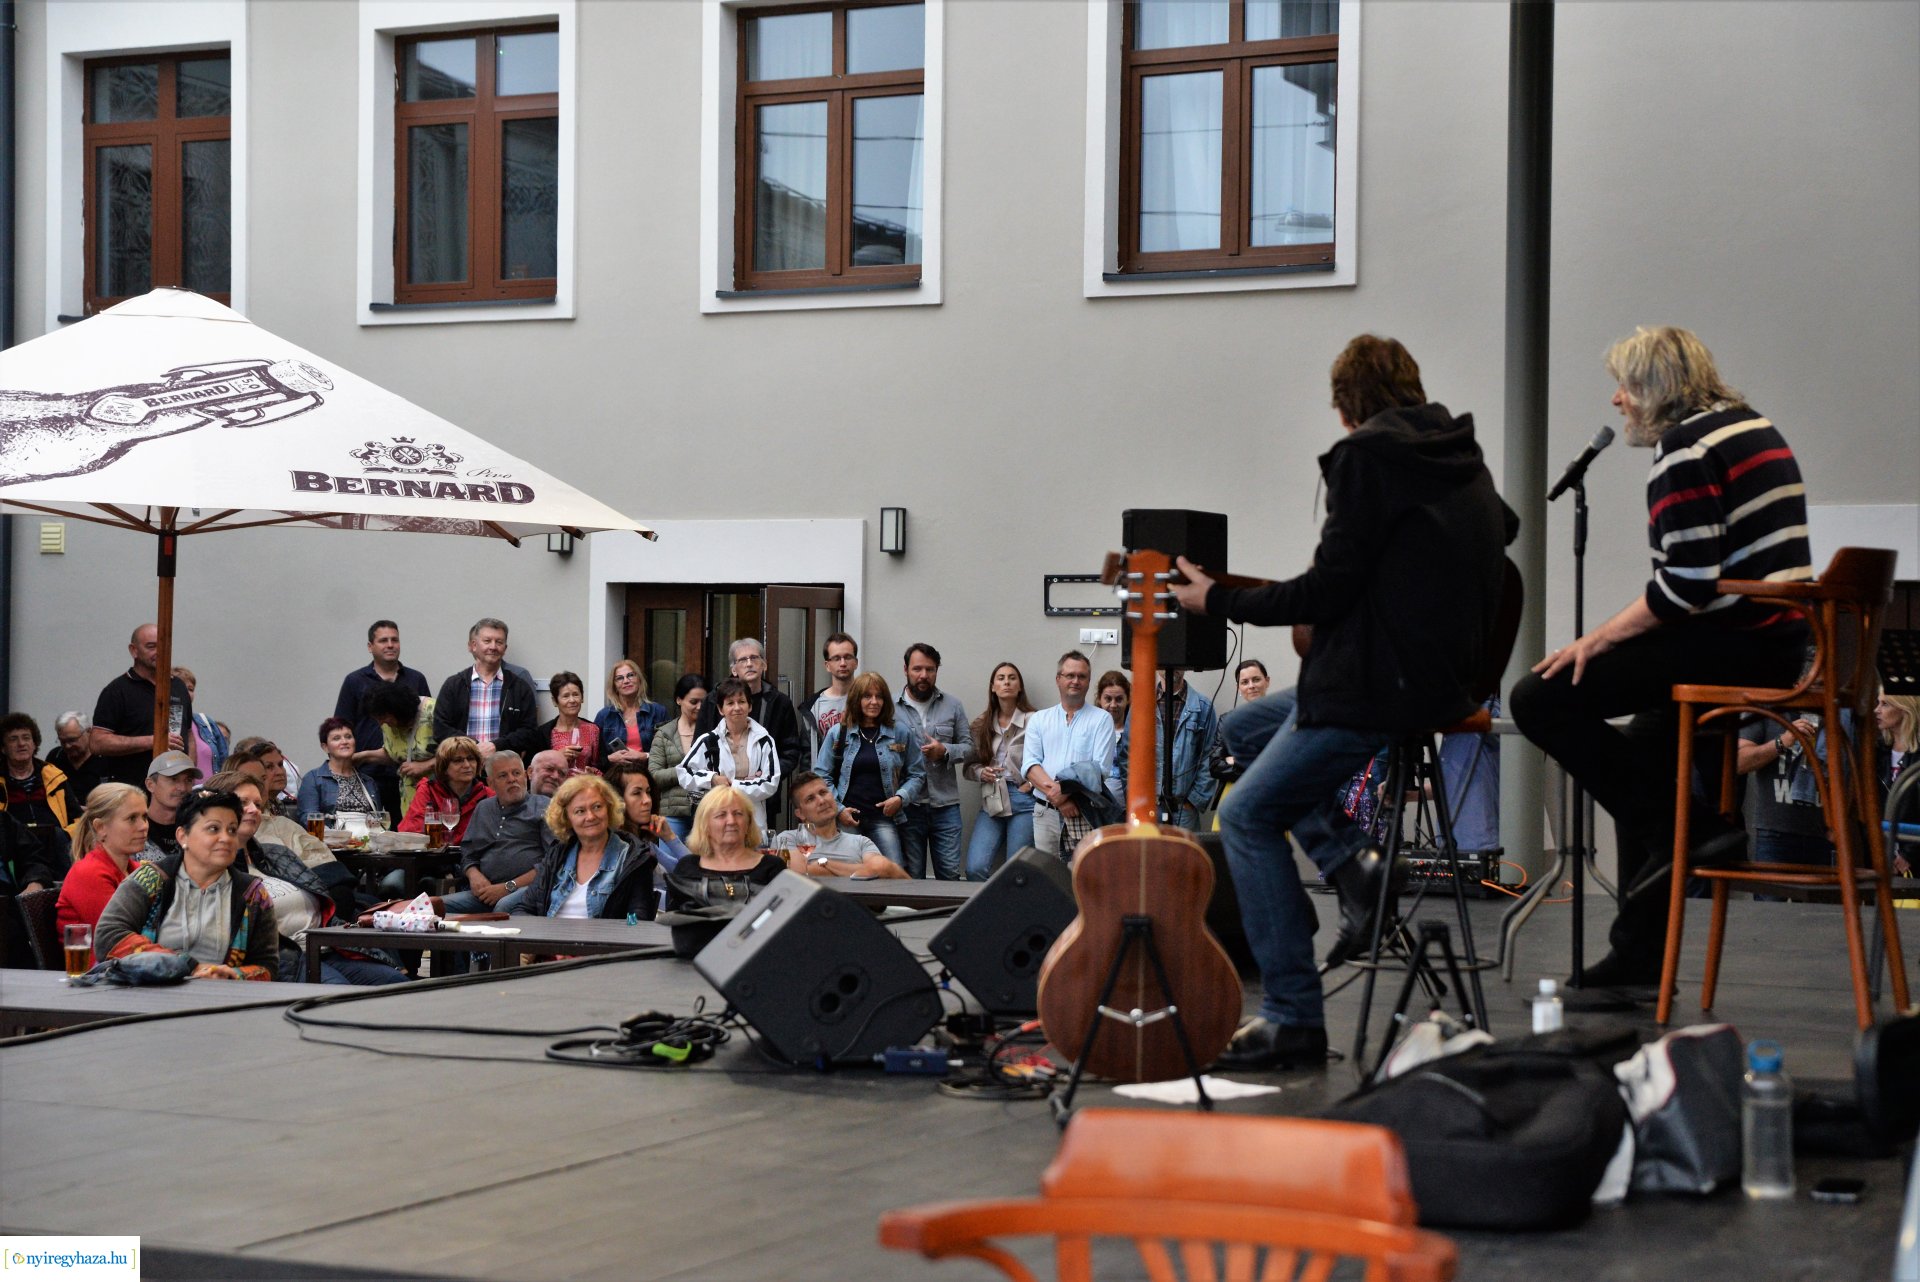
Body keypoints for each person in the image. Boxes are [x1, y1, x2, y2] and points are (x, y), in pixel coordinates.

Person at [1173, 333, 1515, 1070]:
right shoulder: (1463, 462)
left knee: (1247, 814)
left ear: (1345, 407)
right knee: (1244, 727)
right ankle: (1355, 864)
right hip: (1434, 679)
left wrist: (1217, 600)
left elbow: (1327, 592)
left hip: (1375, 687)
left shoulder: (1368, 458)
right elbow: (1485, 546)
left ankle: (1293, 1017)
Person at [1511, 326, 1812, 989]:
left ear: (1655, 388)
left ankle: (1695, 831)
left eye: (1625, 385)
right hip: (1773, 645)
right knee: (1643, 759)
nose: (1617, 400)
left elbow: (1685, 588)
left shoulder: (1686, 448)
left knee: (1538, 697)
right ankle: (1639, 961)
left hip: (1734, 646)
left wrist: (1597, 639)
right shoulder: (1753, 427)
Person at [209, 769, 403, 985]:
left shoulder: (276, 854)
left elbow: (325, 900)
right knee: (339, 991)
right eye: (243, 802)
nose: (254, 810)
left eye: (257, 803)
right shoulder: (214, 868)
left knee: (397, 983)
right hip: (288, 959)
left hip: (329, 946)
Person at [94, 788, 279, 981]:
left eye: (232, 830)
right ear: (182, 836)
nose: (225, 838)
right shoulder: (151, 879)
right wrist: (187, 965)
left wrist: (234, 976)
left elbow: (267, 966)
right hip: (148, 991)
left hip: (220, 994)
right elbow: (109, 936)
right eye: (213, 829)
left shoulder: (252, 894)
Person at [812, 671, 924, 868]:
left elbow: (917, 774)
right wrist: (838, 810)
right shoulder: (838, 733)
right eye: (867, 696)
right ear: (857, 699)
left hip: (883, 818)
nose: (874, 702)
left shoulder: (900, 732)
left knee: (893, 870)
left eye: (879, 696)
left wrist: (900, 798)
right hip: (847, 818)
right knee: (847, 872)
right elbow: (821, 775)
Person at [515, 775, 658, 921]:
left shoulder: (633, 859)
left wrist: (618, 931)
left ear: (609, 809)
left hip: (606, 936)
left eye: (597, 807)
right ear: (567, 819)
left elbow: (636, 920)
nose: (590, 816)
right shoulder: (557, 856)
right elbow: (524, 909)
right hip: (551, 934)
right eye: (580, 811)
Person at [693, 638, 805, 824]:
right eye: (743, 660)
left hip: (763, 797)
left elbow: (791, 751)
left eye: (754, 658)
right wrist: (715, 778)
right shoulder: (713, 701)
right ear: (733, 669)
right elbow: (700, 746)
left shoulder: (780, 703)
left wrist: (768, 773)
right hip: (718, 797)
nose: (749, 664)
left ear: (764, 665)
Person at [1022, 652, 1119, 863]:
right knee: (1047, 876)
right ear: (1058, 679)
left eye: (1082, 676)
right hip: (1045, 813)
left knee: (1081, 876)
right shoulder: (1039, 719)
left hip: (1083, 811)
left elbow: (1099, 769)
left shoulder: (1102, 719)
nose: (1075, 681)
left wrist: (1064, 792)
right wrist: (1058, 797)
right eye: (1070, 675)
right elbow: (1030, 765)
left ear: (1088, 681)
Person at [332, 620, 431, 823]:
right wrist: (347, 760)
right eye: (383, 640)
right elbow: (341, 725)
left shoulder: (416, 679)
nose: (390, 645)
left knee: (407, 826)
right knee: (370, 829)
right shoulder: (355, 681)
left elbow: (425, 724)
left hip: (410, 773)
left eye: (395, 640)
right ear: (370, 646)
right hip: (368, 773)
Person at [895, 643, 971, 880]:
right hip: (908, 806)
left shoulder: (953, 705)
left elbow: (969, 749)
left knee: (949, 875)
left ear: (937, 670)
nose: (923, 675)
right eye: (917, 669)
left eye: (930, 669)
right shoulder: (890, 708)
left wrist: (945, 751)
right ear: (906, 669)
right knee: (912, 877)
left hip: (945, 806)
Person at [89, 623, 195, 787]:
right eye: (151, 647)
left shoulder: (178, 686)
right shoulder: (117, 691)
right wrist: (153, 741)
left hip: (175, 789)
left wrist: (189, 775)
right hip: (132, 790)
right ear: (134, 650)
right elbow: (97, 743)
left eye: (164, 646)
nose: (159, 652)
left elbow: (188, 734)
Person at [442, 752, 549, 912]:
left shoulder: (543, 806)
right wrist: (474, 875)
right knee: (435, 906)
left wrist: (508, 887)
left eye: (516, 773)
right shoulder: (483, 808)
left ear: (525, 776)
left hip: (528, 889)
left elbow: (552, 861)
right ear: (490, 783)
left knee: (503, 907)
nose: (512, 779)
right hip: (485, 892)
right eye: (503, 775)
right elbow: (468, 853)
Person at [1113, 668, 1219, 831]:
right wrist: (1135, 797)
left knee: (1183, 848)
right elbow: (1128, 754)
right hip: (1148, 806)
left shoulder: (1203, 707)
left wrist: (1194, 801)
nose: (1171, 666)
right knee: (1148, 848)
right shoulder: (1141, 705)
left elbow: (1209, 756)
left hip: (1183, 809)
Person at [962, 662, 1037, 880]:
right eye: (1001, 678)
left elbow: (1050, 759)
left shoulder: (1035, 720)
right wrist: (981, 773)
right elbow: (968, 766)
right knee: (975, 868)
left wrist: (1031, 784)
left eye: (1012, 678)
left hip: (1024, 799)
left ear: (1020, 686)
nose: (1006, 682)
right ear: (993, 687)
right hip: (992, 798)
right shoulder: (981, 724)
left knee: (1015, 873)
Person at [680, 678, 783, 832]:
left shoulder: (764, 740)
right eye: (730, 703)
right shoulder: (708, 741)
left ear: (750, 706)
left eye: (741, 702)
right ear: (720, 709)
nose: (737, 708)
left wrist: (732, 786)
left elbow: (770, 783)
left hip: (753, 819)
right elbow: (684, 773)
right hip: (717, 817)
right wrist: (712, 779)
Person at [663, 785, 787, 910]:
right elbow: (673, 918)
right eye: (721, 815)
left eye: (738, 814)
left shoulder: (772, 867)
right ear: (705, 825)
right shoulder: (687, 868)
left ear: (748, 823)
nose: (731, 821)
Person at [431, 618, 539, 761]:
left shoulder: (519, 687)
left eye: (499, 642)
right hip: (463, 765)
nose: (493, 647)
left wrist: (496, 746)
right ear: (473, 646)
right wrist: (472, 746)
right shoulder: (454, 685)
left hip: (503, 766)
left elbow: (529, 731)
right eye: (487, 641)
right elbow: (440, 729)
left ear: (505, 648)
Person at [770, 771, 908, 880]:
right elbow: (799, 873)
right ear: (800, 813)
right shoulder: (788, 839)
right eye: (810, 799)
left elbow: (883, 868)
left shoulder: (861, 842)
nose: (821, 801)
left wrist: (824, 863)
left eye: (823, 792)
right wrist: (860, 870)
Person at [55, 783, 149, 933]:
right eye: (132, 818)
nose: (143, 826)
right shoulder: (88, 873)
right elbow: (116, 935)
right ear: (100, 827)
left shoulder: (138, 870)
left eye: (144, 817)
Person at [2, 712, 73, 891]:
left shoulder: (54, 776)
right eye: (13, 739)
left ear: (35, 744)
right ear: (3, 748)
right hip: (16, 851)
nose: (21, 743)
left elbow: (79, 819)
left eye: (26, 738)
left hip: (55, 846)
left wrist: (63, 835)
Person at [397, 737, 494, 844]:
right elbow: (411, 833)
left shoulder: (488, 795)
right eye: (458, 760)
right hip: (434, 853)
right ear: (444, 767)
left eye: (471, 759)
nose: (467, 765)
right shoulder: (428, 790)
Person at [605, 760, 691, 876]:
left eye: (648, 792)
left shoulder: (644, 842)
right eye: (637, 793)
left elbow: (691, 871)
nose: (647, 800)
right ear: (617, 799)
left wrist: (670, 837)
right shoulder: (614, 846)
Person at [647, 674, 707, 840]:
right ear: (679, 700)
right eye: (693, 702)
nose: (699, 707)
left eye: (703, 702)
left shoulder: (715, 732)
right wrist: (683, 771)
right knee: (670, 856)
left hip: (707, 811)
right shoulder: (664, 733)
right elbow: (654, 775)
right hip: (673, 812)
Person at [366, 681, 436, 820]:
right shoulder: (387, 724)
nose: (381, 723)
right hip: (410, 800)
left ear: (398, 710)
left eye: (384, 717)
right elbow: (394, 754)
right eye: (378, 719)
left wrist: (425, 765)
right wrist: (361, 757)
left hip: (439, 796)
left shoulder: (433, 711)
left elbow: (459, 750)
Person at [296, 717, 384, 818]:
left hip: (366, 828)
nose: (344, 741)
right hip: (329, 828)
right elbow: (308, 817)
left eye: (348, 737)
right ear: (325, 747)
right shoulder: (313, 779)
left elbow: (379, 818)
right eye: (336, 738)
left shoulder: (368, 782)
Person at [1210, 659, 1275, 791]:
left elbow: (1282, 763)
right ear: (1238, 687)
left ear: (1267, 681)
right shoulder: (1227, 720)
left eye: (1256, 679)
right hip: (1235, 795)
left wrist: (1236, 760)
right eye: (1245, 682)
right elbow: (1215, 766)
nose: (1251, 686)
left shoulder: (1282, 718)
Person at [595, 658, 669, 769]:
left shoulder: (658, 712)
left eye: (630, 675)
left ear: (639, 679)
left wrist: (644, 756)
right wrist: (610, 759)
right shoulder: (604, 716)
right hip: (615, 775)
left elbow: (669, 752)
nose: (626, 681)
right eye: (619, 678)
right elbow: (595, 757)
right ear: (614, 685)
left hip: (649, 773)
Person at [802, 632, 859, 758]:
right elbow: (807, 754)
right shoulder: (813, 706)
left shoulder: (869, 700)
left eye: (848, 657)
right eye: (836, 658)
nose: (843, 663)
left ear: (856, 662)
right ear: (827, 665)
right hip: (824, 769)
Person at [140, 750, 202, 864]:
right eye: (174, 779)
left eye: (188, 780)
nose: (182, 788)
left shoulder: (197, 829)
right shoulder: (134, 829)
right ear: (150, 785)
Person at [537, 670, 601, 776]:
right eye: (566, 696)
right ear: (555, 701)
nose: (572, 700)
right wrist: (557, 757)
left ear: (582, 698)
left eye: (576, 695)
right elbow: (536, 770)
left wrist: (591, 775)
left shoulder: (593, 730)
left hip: (584, 785)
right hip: (555, 786)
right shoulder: (544, 733)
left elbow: (601, 766)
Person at [171, 667, 229, 779]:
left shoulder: (205, 721)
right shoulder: (162, 722)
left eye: (190, 689)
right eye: (181, 688)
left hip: (212, 788)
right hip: (181, 788)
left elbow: (224, 760)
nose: (186, 693)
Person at [47, 712, 110, 810]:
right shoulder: (55, 757)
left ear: (89, 732)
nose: (67, 746)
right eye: (62, 741)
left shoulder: (106, 758)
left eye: (72, 740)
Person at [228, 736, 298, 817]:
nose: (280, 772)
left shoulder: (278, 804)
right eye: (269, 767)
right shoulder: (250, 811)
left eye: (280, 764)